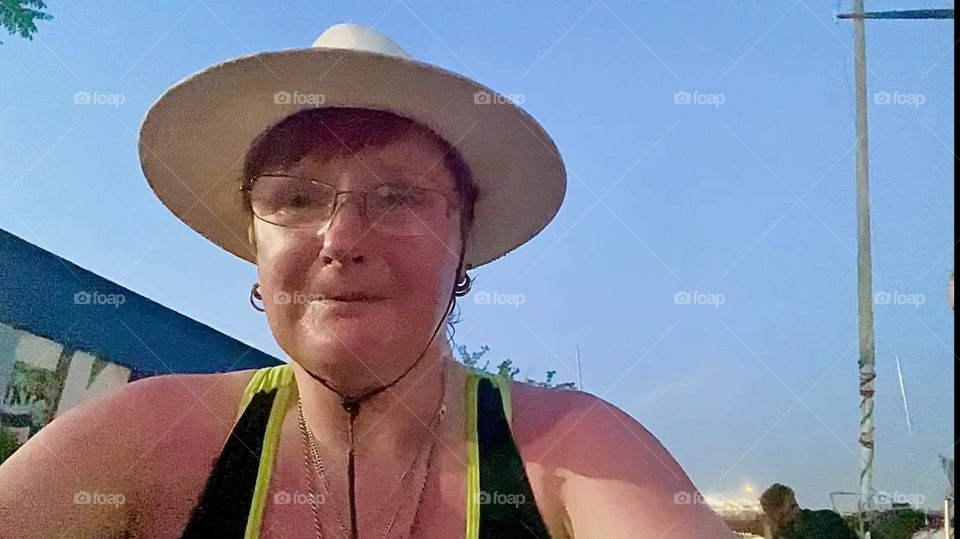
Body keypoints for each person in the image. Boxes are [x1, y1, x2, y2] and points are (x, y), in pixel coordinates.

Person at [0, 23, 734, 538]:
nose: (342, 239)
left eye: (399, 197)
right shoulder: (143, 436)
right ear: (255, 244)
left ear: (463, 245)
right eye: (296, 199)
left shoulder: (572, 448)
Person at [759, 483, 856, 539]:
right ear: (777, 514)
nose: (797, 510)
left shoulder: (827, 520)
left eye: (795, 505)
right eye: (792, 507)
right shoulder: (780, 535)